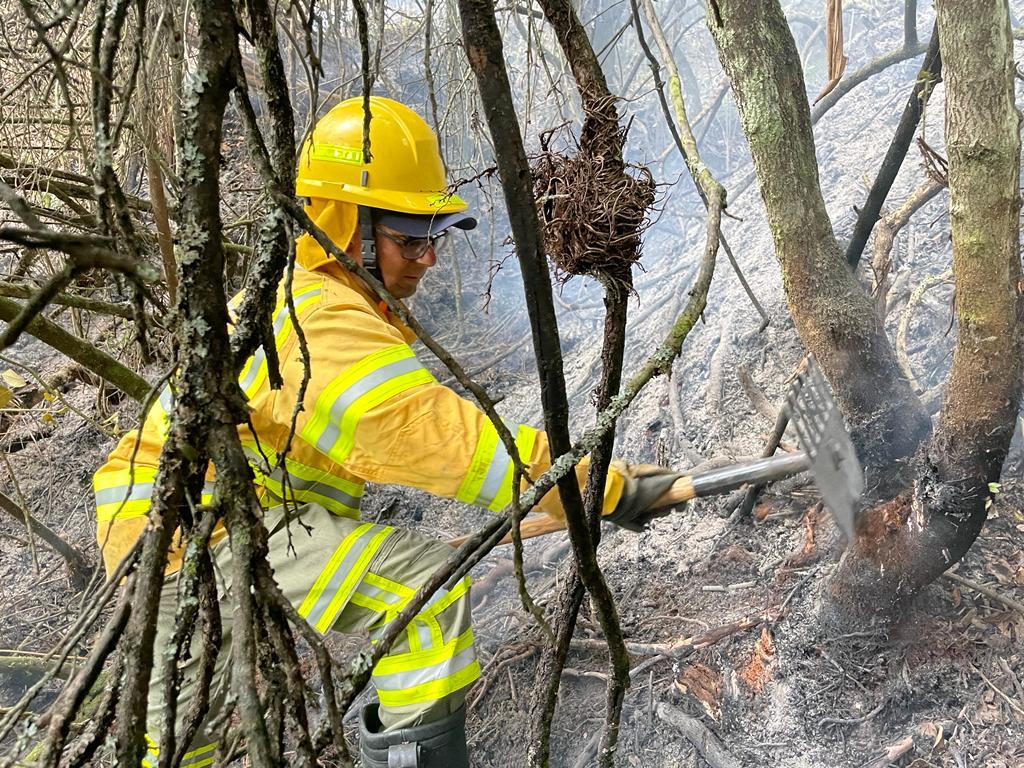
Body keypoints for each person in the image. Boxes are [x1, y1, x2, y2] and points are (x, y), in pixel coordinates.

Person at [92, 96, 680, 767]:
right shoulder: (319, 318)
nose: (428, 258)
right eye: (409, 237)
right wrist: (600, 486)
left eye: (434, 236)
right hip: (191, 526)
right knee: (418, 599)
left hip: (225, 518)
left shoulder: (331, 303)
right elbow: (435, 439)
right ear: (344, 225)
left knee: (190, 731)